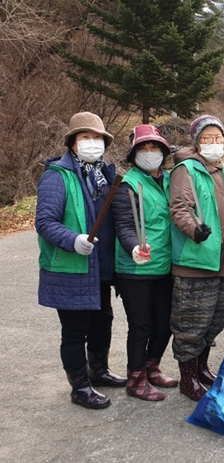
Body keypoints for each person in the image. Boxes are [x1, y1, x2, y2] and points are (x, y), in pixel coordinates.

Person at [36, 111, 125, 409]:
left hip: (101, 267)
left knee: (102, 321)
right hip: (71, 267)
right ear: (73, 143)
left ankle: (99, 370)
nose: (92, 142)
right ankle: (79, 386)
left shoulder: (106, 175)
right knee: (75, 330)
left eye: (97, 137)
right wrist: (73, 240)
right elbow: (45, 222)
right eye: (85, 137)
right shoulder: (56, 177)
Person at [169, 115, 224, 401]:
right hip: (195, 261)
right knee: (190, 326)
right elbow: (180, 207)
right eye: (207, 138)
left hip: (221, 262)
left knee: (214, 322)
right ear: (197, 142)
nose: (214, 143)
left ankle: (202, 368)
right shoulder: (186, 170)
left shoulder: (223, 171)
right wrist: (195, 229)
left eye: (218, 138)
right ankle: (188, 378)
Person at [112, 125, 176, 401]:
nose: (150, 153)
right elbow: (124, 226)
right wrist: (134, 247)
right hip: (136, 268)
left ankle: (152, 367)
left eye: (154, 147)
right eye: (143, 148)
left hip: (166, 264)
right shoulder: (128, 185)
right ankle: (136, 377)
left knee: (165, 324)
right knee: (141, 325)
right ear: (133, 154)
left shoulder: (172, 179)